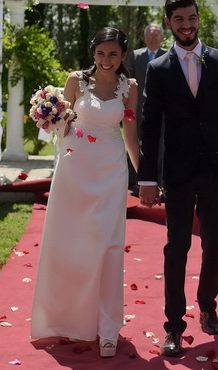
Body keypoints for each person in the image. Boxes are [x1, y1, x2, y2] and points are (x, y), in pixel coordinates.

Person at [138, 0, 218, 358]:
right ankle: (173, 325)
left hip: (217, 167)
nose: (186, 25)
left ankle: (207, 305)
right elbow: (150, 125)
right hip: (178, 171)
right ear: (169, 23)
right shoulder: (157, 70)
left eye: (191, 18)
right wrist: (148, 179)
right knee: (177, 247)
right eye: (178, 20)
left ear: (198, 18)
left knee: (214, 242)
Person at [30, 27, 141, 358]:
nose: (106, 61)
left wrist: (145, 178)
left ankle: (108, 329)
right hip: (75, 166)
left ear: (123, 57)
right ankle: (67, 320)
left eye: (113, 54)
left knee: (107, 245)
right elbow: (64, 128)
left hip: (111, 170)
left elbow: (131, 136)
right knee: (71, 243)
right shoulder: (75, 81)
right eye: (101, 53)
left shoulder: (130, 88)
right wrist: (49, 118)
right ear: (93, 53)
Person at [124, 23, 166, 193]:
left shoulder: (168, 56)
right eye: (150, 34)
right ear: (144, 37)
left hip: (161, 111)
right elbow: (127, 81)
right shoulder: (135, 55)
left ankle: (159, 181)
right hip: (137, 109)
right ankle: (133, 181)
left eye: (156, 35)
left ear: (162, 38)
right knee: (133, 142)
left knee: (161, 146)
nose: (153, 38)